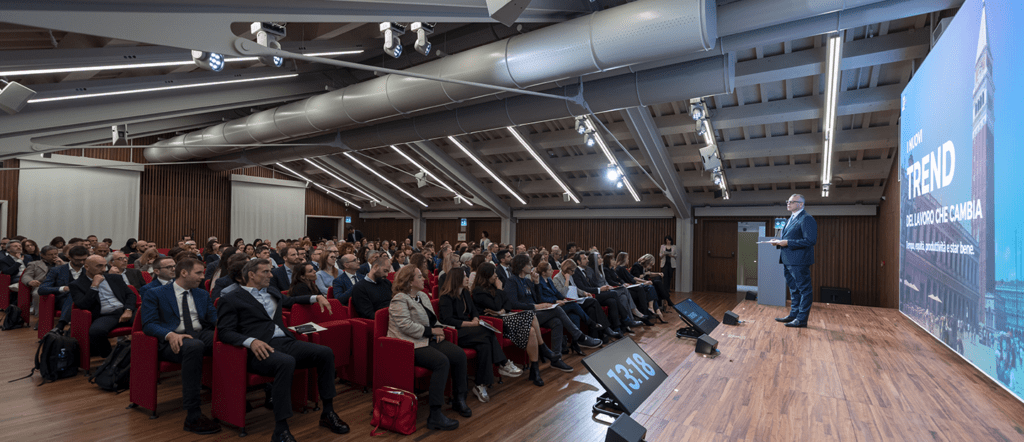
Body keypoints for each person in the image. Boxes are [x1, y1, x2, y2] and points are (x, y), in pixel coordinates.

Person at [216, 259, 348, 441]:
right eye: (265, 272)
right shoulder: (230, 299)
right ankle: (281, 428)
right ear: (251, 275)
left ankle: (328, 412)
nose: (271, 275)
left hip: (285, 342)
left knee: (325, 353)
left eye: (270, 271)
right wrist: (250, 341)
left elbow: (291, 300)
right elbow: (224, 332)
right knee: (286, 362)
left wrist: (316, 297)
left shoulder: (272, 291)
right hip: (257, 350)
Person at [141, 258, 221, 435]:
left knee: (225, 339)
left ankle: (229, 398)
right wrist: (170, 334)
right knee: (194, 346)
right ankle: (193, 414)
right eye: (199, 273)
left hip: (199, 334)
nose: (203, 277)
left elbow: (214, 319)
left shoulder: (201, 294)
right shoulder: (156, 293)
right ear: (184, 273)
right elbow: (148, 324)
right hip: (173, 340)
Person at [387, 265, 468, 431]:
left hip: (426, 338)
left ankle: (459, 399)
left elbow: (433, 319)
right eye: (418, 276)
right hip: (408, 343)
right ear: (410, 282)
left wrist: (440, 329)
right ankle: (435, 414)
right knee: (442, 362)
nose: (423, 279)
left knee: (459, 355)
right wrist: (432, 331)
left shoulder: (422, 296)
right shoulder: (399, 299)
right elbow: (405, 326)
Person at [437, 268, 522, 403]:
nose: (467, 278)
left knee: (485, 346)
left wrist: (476, 318)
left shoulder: (465, 293)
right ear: (456, 279)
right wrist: (470, 324)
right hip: (456, 332)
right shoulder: (446, 297)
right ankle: (503, 363)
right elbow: (447, 320)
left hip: (471, 332)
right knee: (487, 331)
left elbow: (474, 311)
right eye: (464, 276)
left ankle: (480, 385)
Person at [504, 254, 602, 366]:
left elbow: (537, 299)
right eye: (529, 264)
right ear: (522, 266)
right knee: (557, 311)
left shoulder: (527, 281)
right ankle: (579, 336)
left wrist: (536, 283)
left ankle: (556, 358)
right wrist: (535, 306)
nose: (532, 266)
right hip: (525, 315)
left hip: (535, 313)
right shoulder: (512, 281)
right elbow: (512, 303)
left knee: (557, 322)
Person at [472, 263, 555, 386]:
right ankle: (543, 348)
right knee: (530, 315)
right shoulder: (478, 291)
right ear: (486, 275)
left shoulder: (493, 287)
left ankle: (535, 369)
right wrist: (500, 291)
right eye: (493, 273)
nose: (496, 275)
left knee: (532, 331)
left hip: (504, 317)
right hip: (496, 323)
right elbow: (495, 305)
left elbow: (507, 304)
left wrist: (502, 310)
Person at [70, 255, 137, 357]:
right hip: (106, 315)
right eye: (99, 266)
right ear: (87, 267)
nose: (104, 269)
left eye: (105, 266)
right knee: (96, 332)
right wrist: (94, 286)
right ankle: (110, 358)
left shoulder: (114, 278)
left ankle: (144, 353)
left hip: (124, 310)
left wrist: (128, 309)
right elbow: (83, 305)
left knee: (150, 321)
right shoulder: (77, 284)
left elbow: (130, 294)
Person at [770, 194, 818, 328]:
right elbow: (788, 238)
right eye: (787, 201)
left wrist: (787, 242)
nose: (788, 203)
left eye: (791, 202)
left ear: (801, 204)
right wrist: (778, 242)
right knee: (793, 289)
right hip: (787, 260)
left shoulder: (807, 219)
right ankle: (793, 315)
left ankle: (801, 319)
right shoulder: (790, 219)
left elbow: (810, 240)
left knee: (804, 290)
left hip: (799, 261)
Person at [41, 245, 91, 325]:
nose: (82, 262)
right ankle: (62, 324)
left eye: (84, 259)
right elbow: (42, 289)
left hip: (86, 299)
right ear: (70, 258)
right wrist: (63, 288)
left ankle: (61, 326)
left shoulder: (89, 270)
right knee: (73, 292)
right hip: (63, 300)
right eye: (78, 260)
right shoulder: (57, 270)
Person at [22, 245, 62, 315]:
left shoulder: (63, 264)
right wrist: (30, 281)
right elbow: (26, 275)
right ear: (42, 255)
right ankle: (39, 315)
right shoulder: (34, 264)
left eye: (55, 254)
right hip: (42, 285)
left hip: (60, 285)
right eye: (50, 254)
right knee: (37, 293)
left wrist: (62, 263)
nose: (54, 256)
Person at [350, 254, 393, 319]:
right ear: (375, 267)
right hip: (379, 321)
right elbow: (368, 314)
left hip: (393, 316)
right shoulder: (359, 288)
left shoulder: (386, 282)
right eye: (385, 271)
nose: (386, 275)